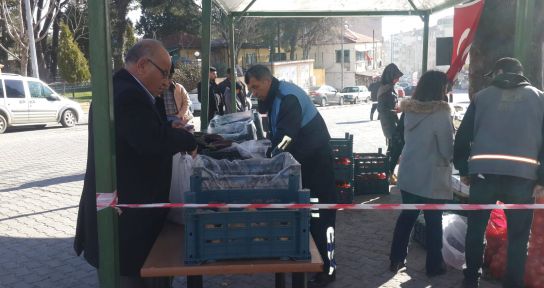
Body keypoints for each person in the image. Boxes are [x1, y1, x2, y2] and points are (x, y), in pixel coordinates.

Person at [74, 39, 197, 288]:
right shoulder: (128, 94)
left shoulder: (122, 88)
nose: (167, 80)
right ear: (142, 65)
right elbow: (148, 142)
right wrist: (186, 139)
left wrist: (166, 128)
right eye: (164, 72)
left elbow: (138, 134)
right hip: (127, 229)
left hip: (131, 221)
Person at [454, 57, 544, 288]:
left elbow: (462, 137)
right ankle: (512, 284)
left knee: (475, 229)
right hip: (523, 178)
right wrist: (542, 179)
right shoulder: (539, 98)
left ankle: (471, 278)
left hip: (483, 176)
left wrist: (464, 169)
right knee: (518, 236)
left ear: (500, 72)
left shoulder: (481, 98)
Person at [245, 64, 337, 288]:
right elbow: (277, 134)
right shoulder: (276, 97)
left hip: (318, 168)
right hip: (304, 165)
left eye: (256, 87)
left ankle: (328, 269)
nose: (253, 93)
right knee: (307, 217)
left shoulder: (288, 98)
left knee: (321, 219)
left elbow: (286, 138)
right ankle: (309, 261)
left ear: (267, 81)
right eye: (250, 89)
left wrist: (271, 159)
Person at [388, 70, 453, 277]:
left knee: (407, 217)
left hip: (409, 172)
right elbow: (446, 150)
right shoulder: (441, 113)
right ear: (439, 89)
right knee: (434, 221)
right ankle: (434, 266)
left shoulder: (409, 110)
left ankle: (396, 259)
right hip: (432, 176)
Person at [378, 63, 403, 180]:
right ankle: (388, 174)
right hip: (389, 124)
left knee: (393, 149)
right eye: (396, 76)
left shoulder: (389, 88)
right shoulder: (385, 90)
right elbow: (382, 109)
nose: (398, 79)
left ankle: (388, 173)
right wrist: (395, 111)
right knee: (395, 149)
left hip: (392, 123)